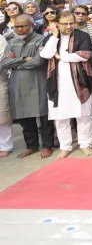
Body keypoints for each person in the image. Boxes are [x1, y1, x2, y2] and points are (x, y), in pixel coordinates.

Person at [39, 10, 92, 159]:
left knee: (84, 116)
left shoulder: (82, 36)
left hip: (80, 83)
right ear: (57, 24)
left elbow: (84, 55)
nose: (69, 26)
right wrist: (55, 36)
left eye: (72, 23)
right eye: (65, 24)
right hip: (57, 84)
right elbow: (45, 54)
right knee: (60, 117)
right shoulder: (50, 39)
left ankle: (85, 144)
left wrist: (60, 56)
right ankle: (65, 146)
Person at [1, 15, 53, 159]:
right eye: (17, 26)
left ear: (31, 25)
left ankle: (47, 145)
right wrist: (23, 59)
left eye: (23, 26)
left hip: (38, 82)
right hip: (18, 84)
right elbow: (4, 62)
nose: (19, 29)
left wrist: (15, 62)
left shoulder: (41, 39)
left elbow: (38, 61)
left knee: (44, 116)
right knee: (24, 117)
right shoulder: (12, 41)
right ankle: (31, 146)